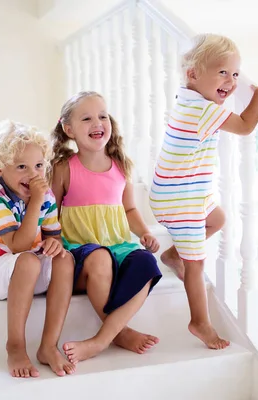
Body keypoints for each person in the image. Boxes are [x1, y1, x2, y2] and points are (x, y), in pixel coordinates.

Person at [150, 33, 258, 350]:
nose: (231, 82)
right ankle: (200, 322)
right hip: (181, 198)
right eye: (222, 72)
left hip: (180, 190)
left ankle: (173, 254)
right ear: (193, 74)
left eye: (235, 74)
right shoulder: (204, 111)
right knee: (197, 265)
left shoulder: (189, 99)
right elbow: (247, 125)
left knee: (218, 218)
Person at [51, 91, 163, 364]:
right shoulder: (65, 168)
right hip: (81, 252)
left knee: (147, 263)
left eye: (102, 116)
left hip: (117, 247)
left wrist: (144, 232)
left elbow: (130, 209)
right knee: (100, 257)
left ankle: (103, 338)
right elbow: (50, 212)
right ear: (69, 130)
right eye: (86, 118)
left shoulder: (121, 167)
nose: (97, 122)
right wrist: (49, 241)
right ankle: (118, 334)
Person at [0, 120, 75, 378]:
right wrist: (37, 200)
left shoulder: (44, 195)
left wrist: (53, 244)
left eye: (38, 166)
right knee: (28, 260)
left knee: (65, 259)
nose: (33, 174)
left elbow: (54, 236)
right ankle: (15, 345)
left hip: (28, 271)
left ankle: (49, 345)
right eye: (21, 167)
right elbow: (19, 245)